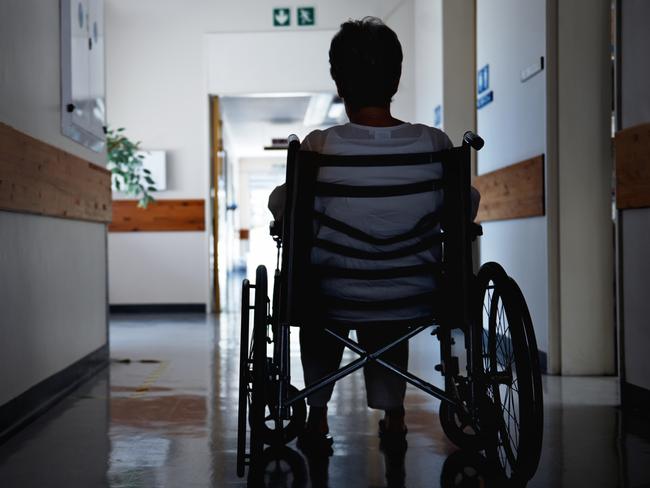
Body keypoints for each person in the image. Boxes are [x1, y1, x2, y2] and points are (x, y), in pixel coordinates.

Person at [268, 16, 479, 453]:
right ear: (396, 79)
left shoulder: (319, 147)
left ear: (338, 83)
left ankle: (317, 415)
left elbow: (283, 207)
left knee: (318, 314)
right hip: (415, 291)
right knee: (388, 318)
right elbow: (467, 208)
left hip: (333, 292)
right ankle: (395, 416)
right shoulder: (435, 143)